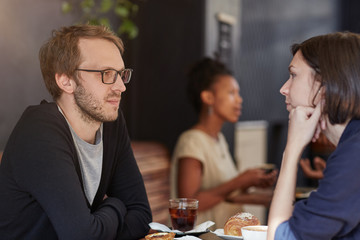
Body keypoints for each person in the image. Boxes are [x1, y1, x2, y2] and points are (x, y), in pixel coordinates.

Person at [0, 24, 152, 239]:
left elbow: (142, 217)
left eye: (120, 74)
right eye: (106, 73)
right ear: (66, 80)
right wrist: (117, 205)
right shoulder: (39, 130)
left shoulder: (110, 123)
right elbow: (82, 236)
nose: (120, 87)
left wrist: (99, 224)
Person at [268, 32, 360, 239]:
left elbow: (281, 236)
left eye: (293, 75)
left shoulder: (354, 155)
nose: (284, 89)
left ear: (325, 85)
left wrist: (291, 150)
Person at [170, 57, 278, 229]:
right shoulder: (191, 141)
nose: (239, 100)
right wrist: (239, 181)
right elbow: (186, 207)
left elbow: (225, 195)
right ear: (208, 97)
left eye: (238, 93)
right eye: (231, 93)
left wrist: (255, 186)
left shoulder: (219, 140)